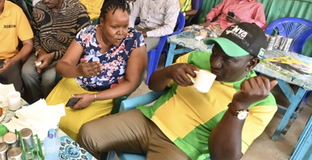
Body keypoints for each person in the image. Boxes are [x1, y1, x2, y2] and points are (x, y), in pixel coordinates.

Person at [79, 22, 278, 160]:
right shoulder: (196, 58)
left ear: (252, 63)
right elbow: (154, 86)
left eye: (228, 59)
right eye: (215, 53)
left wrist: (238, 107)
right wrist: (169, 72)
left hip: (180, 147)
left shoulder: (261, 103)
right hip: (148, 121)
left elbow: (223, 156)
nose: (215, 63)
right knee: (87, 133)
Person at [46, 0, 147, 141]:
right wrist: (78, 71)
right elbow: (62, 66)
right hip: (74, 86)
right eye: (115, 26)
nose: (121, 33)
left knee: (76, 127)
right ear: (102, 22)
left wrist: (93, 98)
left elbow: (131, 83)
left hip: (103, 96)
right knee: (47, 116)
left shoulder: (134, 40)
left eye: (125, 26)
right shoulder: (87, 34)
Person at [21, 0, 90, 103]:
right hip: (42, 52)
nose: (46, 0)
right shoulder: (38, 8)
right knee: (27, 72)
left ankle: (51, 106)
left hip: (67, 56)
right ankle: (37, 104)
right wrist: (40, 51)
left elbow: (84, 42)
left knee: (48, 78)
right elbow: (35, 36)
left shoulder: (78, 9)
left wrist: (53, 56)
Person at [0, 0, 33, 94]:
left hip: (9, 61)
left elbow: (28, 44)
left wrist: (12, 61)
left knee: (15, 96)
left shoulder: (16, 11)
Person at [200, 0, 267, 34]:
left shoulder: (257, 5)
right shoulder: (228, 0)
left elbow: (262, 24)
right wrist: (208, 20)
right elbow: (215, 10)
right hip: (214, 26)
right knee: (191, 31)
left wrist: (240, 21)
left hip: (233, 32)